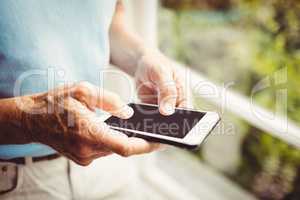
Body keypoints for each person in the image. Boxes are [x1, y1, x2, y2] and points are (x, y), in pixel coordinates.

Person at [0, 1, 187, 199]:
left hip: (107, 161)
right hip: (14, 182)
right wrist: (29, 120)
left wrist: (143, 56)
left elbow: (109, 18)